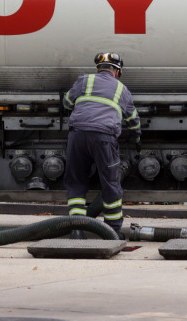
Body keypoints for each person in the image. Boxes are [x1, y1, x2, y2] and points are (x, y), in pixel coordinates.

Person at [63, 52, 141, 240]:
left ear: (99, 68)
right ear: (117, 71)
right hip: (104, 138)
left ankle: (76, 230)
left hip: (78, 135)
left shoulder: (84, 81)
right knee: (111, 183)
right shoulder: (122, 89)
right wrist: (136, 135)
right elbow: (132, 118)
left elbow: (66, 102)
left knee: (76, 182)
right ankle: (112, 231)